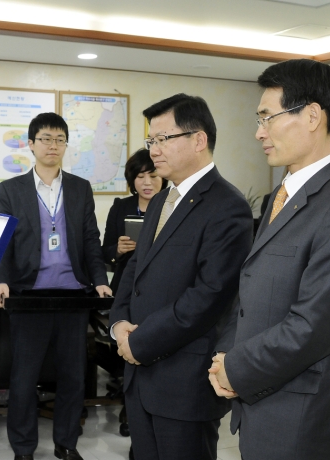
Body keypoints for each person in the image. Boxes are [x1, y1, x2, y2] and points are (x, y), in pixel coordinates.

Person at [209, 59, 330, 460]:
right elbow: (249, 293)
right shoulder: (277, 197)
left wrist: (237, 370)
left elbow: (315, 325)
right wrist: (224, 360)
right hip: (258, 404)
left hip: (303, 419)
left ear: (312, 115)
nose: (259, 132)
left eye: (268, 118)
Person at [109, 94, 253, 460]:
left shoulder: (227, 206)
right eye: (150, 141)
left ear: (198, 140)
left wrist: (140, 344)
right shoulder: (161, 199)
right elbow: (135, 272)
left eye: (163, 139)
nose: (154, 150)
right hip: (140, 377)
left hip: (183, 381)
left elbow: (209, 296)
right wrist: (119, 323)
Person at [0, 112, 112, 460]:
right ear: (31, 144)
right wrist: (0, 281)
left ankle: (66, 443)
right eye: (45, 138)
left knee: (74, 377)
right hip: (29, 296)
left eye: (59, 139)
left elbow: (91, 238)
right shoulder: (11, 190)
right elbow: (4, 242)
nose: (52, 145)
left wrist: (100, 281)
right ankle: (24, 448)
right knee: (24, 378)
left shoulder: (79, 188)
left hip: (73, 296)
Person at [102, 148, 168, 294]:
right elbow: (106, 252)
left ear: (163, 179)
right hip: (125, 284)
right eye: (140, 176)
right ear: (132, 179)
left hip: (160, 284)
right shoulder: (120, 207)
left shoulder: (172, 207)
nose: (147, 183)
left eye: (153, 176)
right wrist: (118, 250)